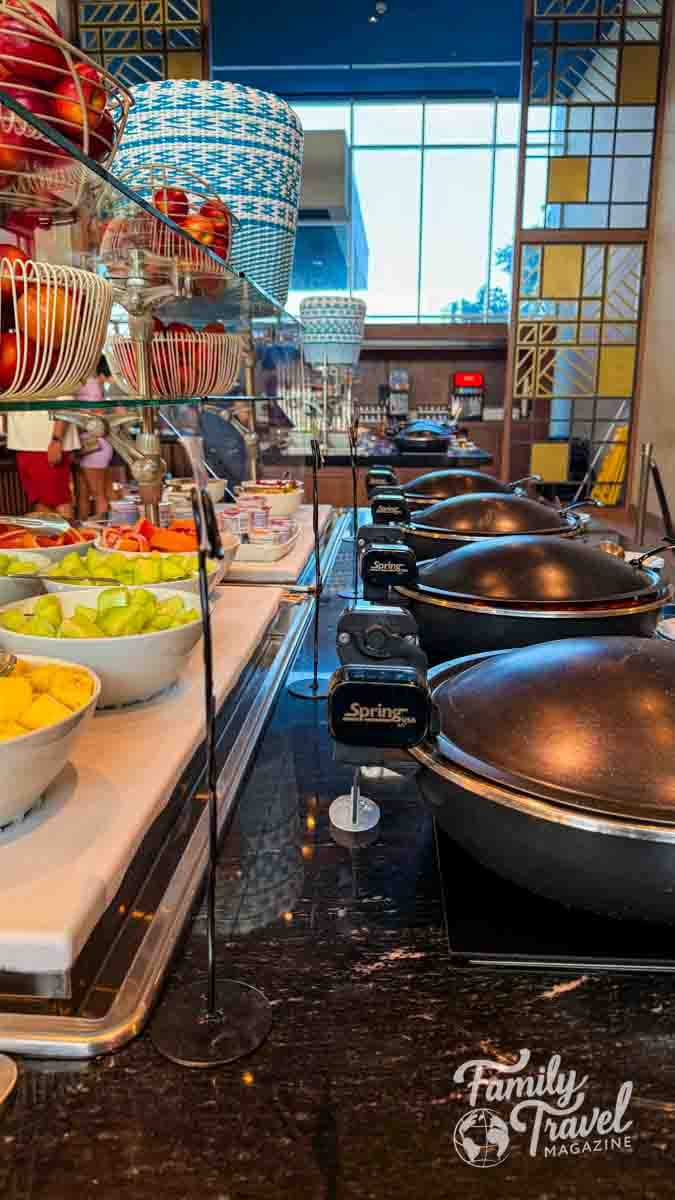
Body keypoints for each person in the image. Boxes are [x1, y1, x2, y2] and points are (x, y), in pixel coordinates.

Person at [5, 410, 79, 518]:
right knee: (41, 501)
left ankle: (67, 534)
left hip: (45, 442)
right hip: (24, 442)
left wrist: (56, 439)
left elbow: (64, 402)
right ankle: (46, 535)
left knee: (59, 500)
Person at [76, 358, 115, 519]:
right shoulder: (87, 382)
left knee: (98, 494)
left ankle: (105, 533)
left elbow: (96, 414)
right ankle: (88, 534)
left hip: (93, 446)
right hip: (91, 446)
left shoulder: (88, 384)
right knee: (85, 496)